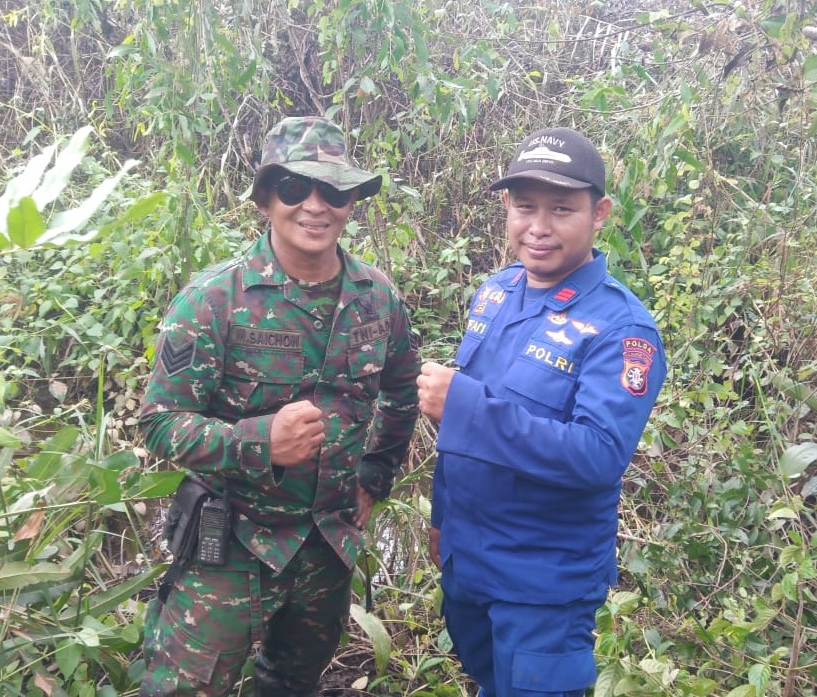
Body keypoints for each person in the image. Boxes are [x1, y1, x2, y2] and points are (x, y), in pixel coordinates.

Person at [138, 116, 420, 697]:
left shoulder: (378, 298)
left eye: (333, 191)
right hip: (234, 543)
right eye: (295, 188)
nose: (315, 206)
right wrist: (258, 441)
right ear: (266, 198)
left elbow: (402, 387)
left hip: (326, 544)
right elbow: (161, 424)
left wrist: (376, 472)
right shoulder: (213, 300)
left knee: (292, 682)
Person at [417, 126, 667, 697]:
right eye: (525, 207)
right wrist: (441, 521)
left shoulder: (621, 330)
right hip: (470, 565)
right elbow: (461, 439)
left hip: (543, 585)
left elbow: (598, 456)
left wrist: (465, 406)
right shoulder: (497, 292)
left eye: (561, 209)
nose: (539, 228)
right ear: (506, 207)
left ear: (599, 212)